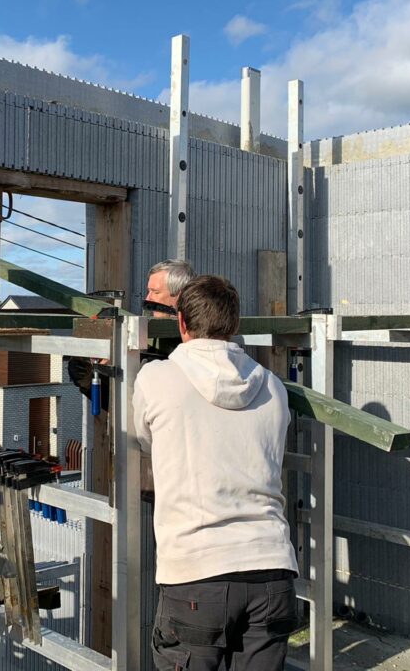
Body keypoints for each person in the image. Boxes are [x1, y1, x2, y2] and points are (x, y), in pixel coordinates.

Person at [134, 275, 298, 671]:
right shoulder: (274, 388)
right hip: (271, 571)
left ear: (182, 324)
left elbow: (143, 440)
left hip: (196, 572)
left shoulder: (155, 379)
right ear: (235, 325)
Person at [67, 259, 194, 408]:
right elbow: (115, 400)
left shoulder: (194, 347)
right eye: (149, 291)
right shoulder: (146, 340)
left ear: (180, 296)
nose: (148, 299)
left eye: (156, 292)